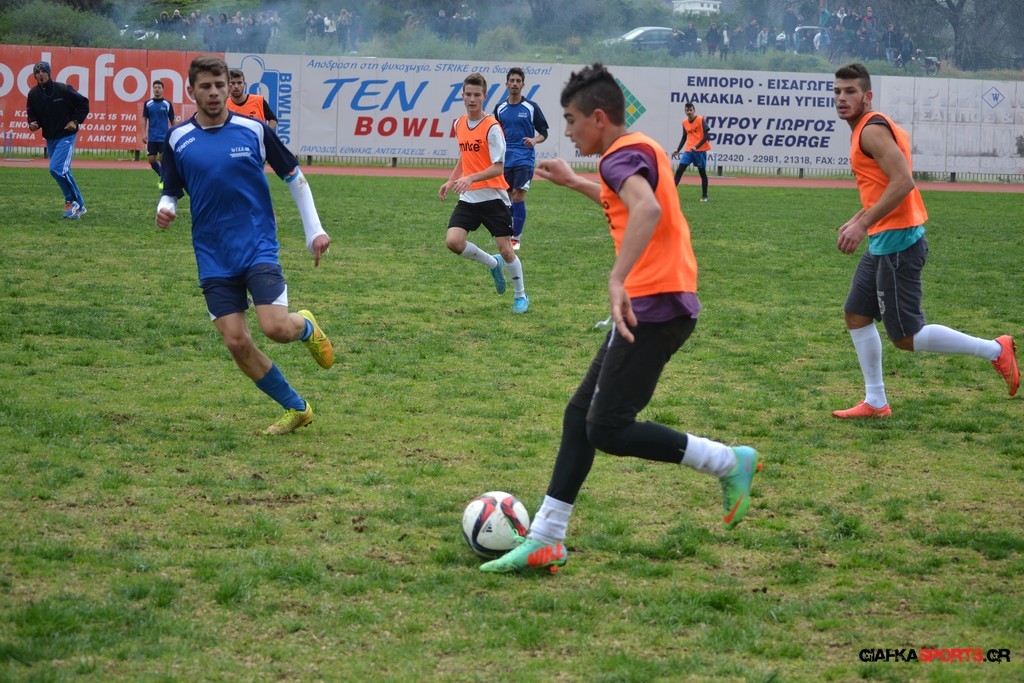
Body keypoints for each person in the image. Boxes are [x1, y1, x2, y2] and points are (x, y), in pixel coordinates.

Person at [480, 63, 761, 574]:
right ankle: (546, 537)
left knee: (607, 429)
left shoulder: (617, 157)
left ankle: (728, 461)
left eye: (571, 120)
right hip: (658, 303)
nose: (567, 131)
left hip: (654, 306)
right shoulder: (641, 146)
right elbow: (626, 200)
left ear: (599, 118)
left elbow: (646, 210)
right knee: (579, 416)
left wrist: (617, 279)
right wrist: (576, 182)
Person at [155, 55, 334, 435]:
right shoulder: (177, 138)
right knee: (236, 342)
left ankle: (305, 327)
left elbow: (295, 177)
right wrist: (165, 207)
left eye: (220, 85)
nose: (214, 92)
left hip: (257, 246)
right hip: (212, 255)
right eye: (206, 86)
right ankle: (296, 408)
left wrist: (314, 231)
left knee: (275, 328)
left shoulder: (253, 129)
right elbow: (171, 190)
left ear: (229, 87)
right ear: (191, 91)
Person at [831, 63, 1018, 419]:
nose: (842, 98)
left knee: (906, 337)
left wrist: (862, 224)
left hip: (898, 243)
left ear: (867, 96)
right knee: (856, 314)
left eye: (850, 91)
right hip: (884, 239)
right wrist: (858, 218)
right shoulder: (870, 128)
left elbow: (904, 182)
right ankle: (876, 401)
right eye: (837, 91)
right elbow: (885, 184)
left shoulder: (870, 131)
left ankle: (995, 349)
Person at [439, 73, 529, 314]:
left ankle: (520, 296)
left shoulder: (492, 127)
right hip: (469, 198)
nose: (472, 99)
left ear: (485, 97)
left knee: (506, 250)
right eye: (468, 94)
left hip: (493, 198)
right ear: (462, 96)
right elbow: (464, 155)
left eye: (477, 95)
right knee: (453, 241)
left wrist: (470, 177)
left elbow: (498, 167)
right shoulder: (459, 124)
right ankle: (491, 263)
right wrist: (451, 180)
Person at [493, 67, 549, 252]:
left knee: (518, 195)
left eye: (518, 81)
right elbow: (495, 133)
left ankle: (516, 238)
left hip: (524, 158)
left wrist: (534, 140)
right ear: (507, 84)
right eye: (512, 80)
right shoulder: (499, 108)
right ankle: (508, 233)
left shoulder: (531, 107)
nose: (515, 84)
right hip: (505, 159)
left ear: (523, 84)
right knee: (507, 197)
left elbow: (544, 132)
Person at [25, 61, 90, 220]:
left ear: (49, 73)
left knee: (56, 169)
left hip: (66, 136)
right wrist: (32, 123)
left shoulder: (62, 89)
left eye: (43, 71)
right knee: (64, 171)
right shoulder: (33, 94)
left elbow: (83, 103)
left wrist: (75, 121)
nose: (41, 74)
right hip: (51, 137)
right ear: (34, 76)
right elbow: (32, 114)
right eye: (37, 72)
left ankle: (70, 202)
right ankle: (80, 205)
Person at [671, 102, 712, 202]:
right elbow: (684, 137)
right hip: (689, 151)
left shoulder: (700, 119)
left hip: (700, 151)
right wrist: (678, 149)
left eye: (691, 110)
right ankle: (670, 193)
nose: (689, 112)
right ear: (685, 111)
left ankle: (705, 195)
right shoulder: (684, 122)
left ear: (694, 110)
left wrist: (697, 146)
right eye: (687, 110)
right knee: (679, 170)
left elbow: (707, 136)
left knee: (702, 173)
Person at [140, 79, 176, 190]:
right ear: (153, 89)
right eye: (155, 87)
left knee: (163, 159)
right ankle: (163, 175)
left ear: (162, 90)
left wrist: (175, 133)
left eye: (159, 87)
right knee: (151, 160)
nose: (157, 89)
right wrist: (143, 133)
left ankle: (164, 179)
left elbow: (172, 119)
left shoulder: (167, 104)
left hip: (164, 137)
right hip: (152, 137)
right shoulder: (148, 104)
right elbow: (144, 118)